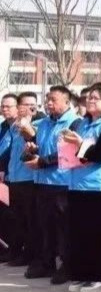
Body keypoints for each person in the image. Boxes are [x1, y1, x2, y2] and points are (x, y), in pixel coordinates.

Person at [65, 82, 101, 292]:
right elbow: (75, 153)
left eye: (95, 98)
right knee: (80, 233)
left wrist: (80, 144)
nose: (90, 101)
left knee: (100, 233)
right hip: (77, 184)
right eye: (89, 97)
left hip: (100, 187)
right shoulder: (82, 124)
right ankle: (83, 274)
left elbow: (100, 154)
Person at [24, 86, 81, 284]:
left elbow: (70, 153)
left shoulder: (75, 122)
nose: (49, 103)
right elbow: (42, 147)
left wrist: (42, 161)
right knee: (45, 226)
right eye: (48, 99)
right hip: (42, 181)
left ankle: (68, 265)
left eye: (53, 100)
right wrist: (32, 149)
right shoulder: (45, 123)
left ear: (66, 101)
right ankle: (46, 263)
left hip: (63, 183)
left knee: (63, 228)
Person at [2, 92, 41, 268]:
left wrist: (27, 125)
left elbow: (34, 141)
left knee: (30, 219)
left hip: (29, 178)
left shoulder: (39, 124)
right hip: (14, 177)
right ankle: (17, 252)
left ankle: (31, 254)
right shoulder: (13, 127)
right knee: (17, 218)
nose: (29, 107)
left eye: (32, 104)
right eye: (25, 104)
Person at [0, 94, 18, 262]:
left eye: (8, 106)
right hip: (4, 178)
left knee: (14, 215)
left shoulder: (21, 127)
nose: (4, 109)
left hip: (17, 177)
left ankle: (16, 249)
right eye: (2, 106)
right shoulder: (3, 127)